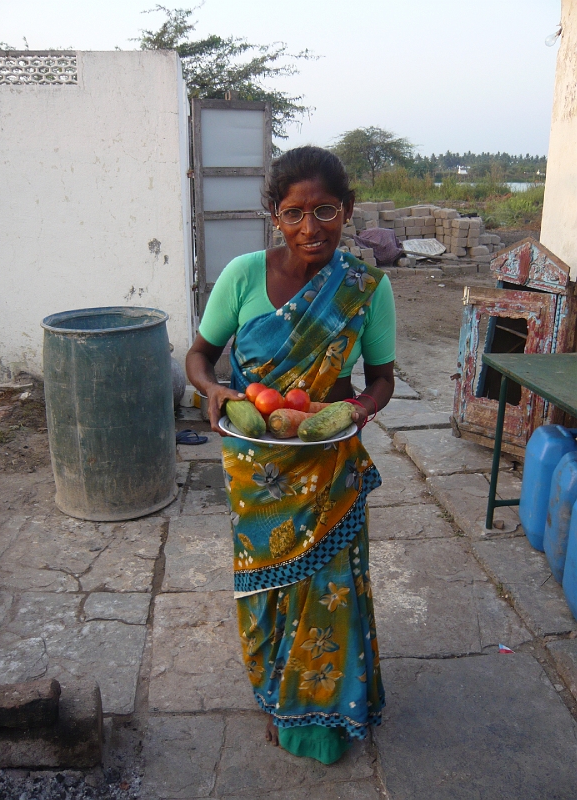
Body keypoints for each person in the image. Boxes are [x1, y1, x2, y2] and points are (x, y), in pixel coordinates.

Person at [185, 145, 396, 764]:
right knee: (268, 591)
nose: (312, 228)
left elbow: (382, 376)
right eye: (294, 213)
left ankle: (326, 714)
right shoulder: (244, 275)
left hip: (331, 461)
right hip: (258, 469)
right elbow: (199, 354)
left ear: (347, 210)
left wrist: (356, 409)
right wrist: (217, 391)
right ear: (274, 215)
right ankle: (279, 696)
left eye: (326, 211)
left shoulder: (364, 287)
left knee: (330, 589)